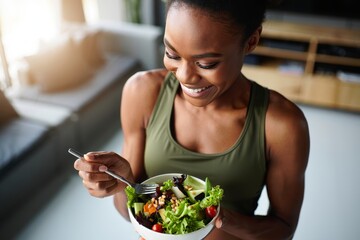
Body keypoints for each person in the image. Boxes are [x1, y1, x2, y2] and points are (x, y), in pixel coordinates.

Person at [74, 0, 310, 239]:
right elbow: (127, 213)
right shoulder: (142, 92)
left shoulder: (282, 125)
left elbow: (283, 230)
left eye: (206, 63)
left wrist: (220, 219)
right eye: (172, 54)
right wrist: (123, 183)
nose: (185, 77)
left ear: (251, 41)